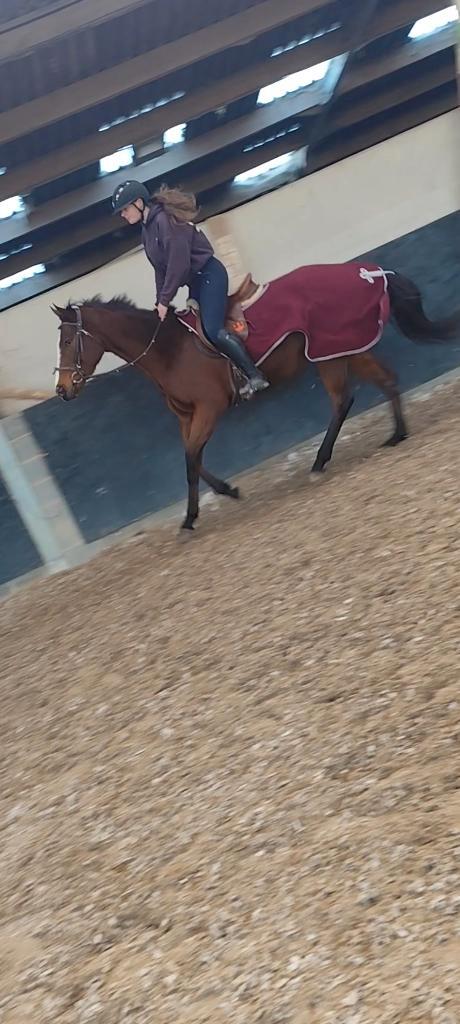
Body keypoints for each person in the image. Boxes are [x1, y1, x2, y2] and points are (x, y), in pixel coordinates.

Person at [111, 180, 269, 397]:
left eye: (125, 209)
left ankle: (254, 375)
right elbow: (161, 270)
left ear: (139, 203)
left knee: (213, 331)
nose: (123, 214)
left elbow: (178, 265)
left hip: (210, 275)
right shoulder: (147, 232)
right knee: (193, 331)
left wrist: (166, 300)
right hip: (195, 283)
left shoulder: (165, 222)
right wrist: (159, 301)